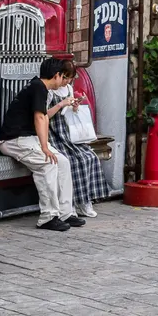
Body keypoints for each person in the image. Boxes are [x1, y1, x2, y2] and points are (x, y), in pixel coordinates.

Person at [0, 57, 83, 231]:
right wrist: (44, 148)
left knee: (63, 162)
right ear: (56, 75)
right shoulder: (38, 88)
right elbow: (40, 118)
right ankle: (48, 217)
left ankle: (65, 213)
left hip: (28, 139)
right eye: (63, 77)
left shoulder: (39, 87)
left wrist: (44, 145)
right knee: (47, 164)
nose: (63, 81)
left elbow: (43, 117)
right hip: (14, 140)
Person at [46, 77, 110, 218]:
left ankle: (85, 200)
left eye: (70, 78)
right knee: (72, 162)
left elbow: (69, 113)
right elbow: (44, 115)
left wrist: (74, 107)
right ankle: (71, 203)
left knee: (90, 157)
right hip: (54, 134)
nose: (67, 81)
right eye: (65, 77)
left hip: (69, 133)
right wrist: (61, 104)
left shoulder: (68, 88)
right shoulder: (50, 91)